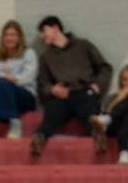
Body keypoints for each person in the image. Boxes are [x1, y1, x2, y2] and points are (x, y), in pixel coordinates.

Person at [30, 16, 112, 157]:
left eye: (44, 31)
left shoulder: (83, 45)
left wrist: (98, 85)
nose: (42, 36)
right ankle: (38, 139)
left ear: (55, 28)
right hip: (63, 95)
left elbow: (105, 68)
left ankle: (98, 136)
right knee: (52, 112)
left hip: (84, 91)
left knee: (89, 108)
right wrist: (52, 89)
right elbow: (42, 84)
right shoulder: (46, 57)